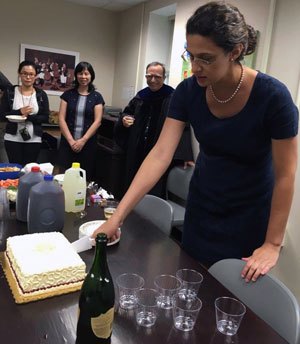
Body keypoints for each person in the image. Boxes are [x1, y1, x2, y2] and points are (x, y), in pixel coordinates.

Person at [93, 1, 298, 282]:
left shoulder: (273, 96)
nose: (195, 67)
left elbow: (285, 174)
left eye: (207, 58)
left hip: (250, 215)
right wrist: (118, 216)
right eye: (191, 55)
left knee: (232, 302)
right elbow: (160, 154)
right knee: (192, 288)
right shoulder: (188, 91)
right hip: (202, 207)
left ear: (235, 52)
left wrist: (273, 243)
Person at [114, 61, 194, 197]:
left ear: (164, 77)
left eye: (157, 77)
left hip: (159, 152)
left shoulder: (172, 97)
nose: (152, 80)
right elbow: (127, 112)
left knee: (154, 187)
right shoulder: (141, 96)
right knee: (132, 181)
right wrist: (124, 120)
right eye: (149, 76)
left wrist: (186, 155)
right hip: (137, 151)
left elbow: (183, 126)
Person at [58, 61, 104, 180]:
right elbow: (61, 119)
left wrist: (82, 141)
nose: (83, 77)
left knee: (84, 177)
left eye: (86, 73)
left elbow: (97, 121)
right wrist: (71, 141)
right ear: (76, 75)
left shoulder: (97, 97)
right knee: (64, 177)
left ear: (91, 76)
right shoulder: (67, 95)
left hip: (88, 144)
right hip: (67, 144)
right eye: (80, 73)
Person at [0, 61, 49, 166]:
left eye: (31, 74)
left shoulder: (41, 94)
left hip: (34, 139)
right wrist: (19, 112)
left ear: (35, 76)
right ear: (19, 74)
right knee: (14, 169)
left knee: (29, 171)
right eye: (24, 73)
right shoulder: (10, 91)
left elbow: (45, 117)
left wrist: (28, 118)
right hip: (12, 138)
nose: (28, 77)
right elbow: (1, 115)